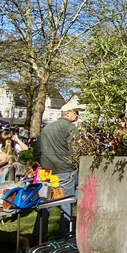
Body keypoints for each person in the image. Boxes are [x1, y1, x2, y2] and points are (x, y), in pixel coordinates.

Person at [32, 101, 84, 242]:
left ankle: (38, 236)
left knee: (44, 204)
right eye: (76, 112)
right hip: (65, 171)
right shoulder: (71, 128)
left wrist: (43, 163)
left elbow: (36, 150)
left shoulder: (47, 127)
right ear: (67, 113)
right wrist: (74, 166)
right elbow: (76, 151)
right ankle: (63, 236)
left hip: (47, 171)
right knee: (66, 204)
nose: (78, 115)